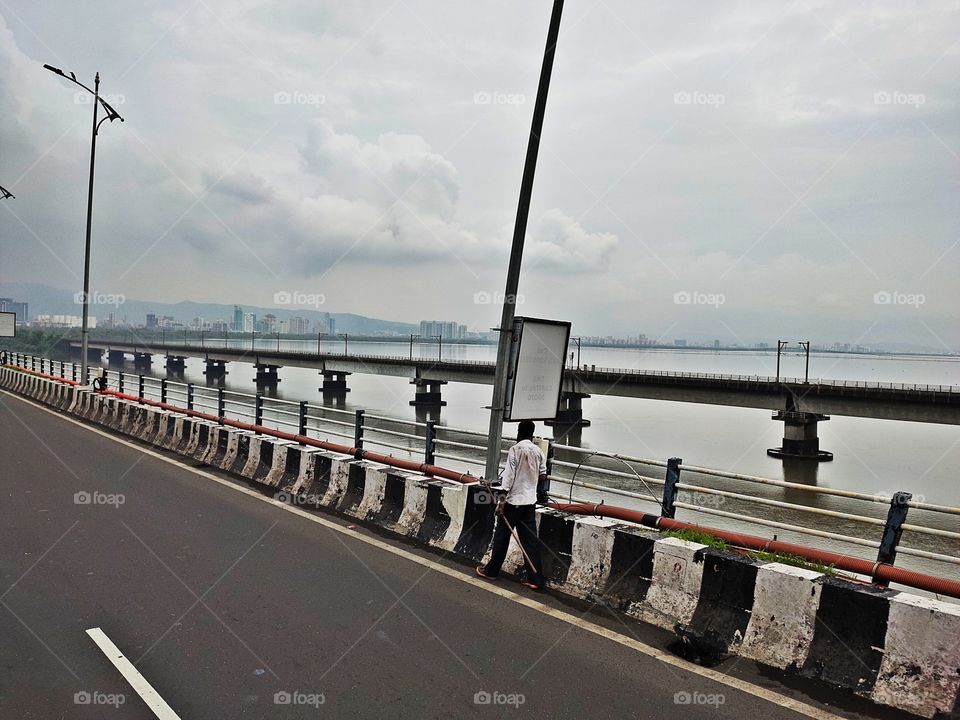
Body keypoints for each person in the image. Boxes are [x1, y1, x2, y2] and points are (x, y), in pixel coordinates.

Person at [476, 420, 546, 590]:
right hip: (530, 502)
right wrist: (530, 480)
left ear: (519, 432)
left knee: (501, 537)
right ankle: (536, 580)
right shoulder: (538, 451)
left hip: (513, 502)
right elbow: (543, 476)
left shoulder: (515, 450)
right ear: (532, 434)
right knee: (530, 541)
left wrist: (501, 504)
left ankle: (491, 571)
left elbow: (507, 480)